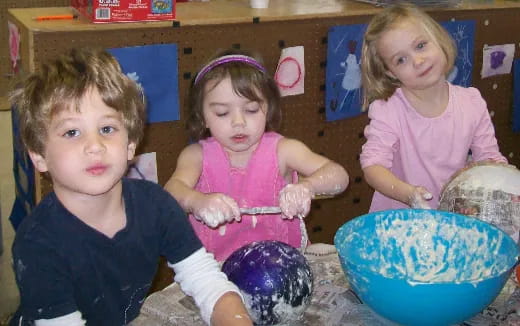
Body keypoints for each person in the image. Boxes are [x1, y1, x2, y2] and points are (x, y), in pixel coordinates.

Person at [9, 48, 252, 326]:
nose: (95, 146)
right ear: (39, 155)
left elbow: (205, 280)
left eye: (107, 129)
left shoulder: (156, 205)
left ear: (131, 144)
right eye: (72, 132)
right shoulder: (38, 244)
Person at [165, 49, 349, 261]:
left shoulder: (285, 150)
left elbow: (339, 176)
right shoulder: (196, 156)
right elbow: (171, 192)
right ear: (203, 117)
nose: (238, 122)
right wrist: (196, 201)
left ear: (267, 109)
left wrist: (307, 187)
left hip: (285, 264)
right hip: (216, 273)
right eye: (222, 113)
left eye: (251, 110)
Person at [359, 3, 506, 212]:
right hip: (400, 225)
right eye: (401, 60)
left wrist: (502, 180)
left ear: (437, 38)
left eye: (420, 46)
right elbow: (373, 167)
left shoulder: (472, 103)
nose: (418, 61)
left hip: (454, 220)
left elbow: (490, 160)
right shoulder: (389, 109)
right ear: (390, 72)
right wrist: (407, 193)